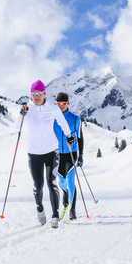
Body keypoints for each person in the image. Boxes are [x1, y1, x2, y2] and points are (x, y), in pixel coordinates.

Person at [18, 80, 75, 228]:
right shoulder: (27, 109)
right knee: (38, 185)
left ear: (44, 94)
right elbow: (17, 127)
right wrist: (21, 115)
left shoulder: (52, 108)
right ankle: (40, 208)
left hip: (51, 151)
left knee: (51, 182)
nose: (37, 97)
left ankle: (55, 215)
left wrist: (69, 136)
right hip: (34, 153)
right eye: (34, 94)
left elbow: (62, 122)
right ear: (31, 95)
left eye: (39, 94)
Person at [53, 92, 84, 220]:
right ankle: (65, 192)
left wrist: (81, 155)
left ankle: (72, 210)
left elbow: (80, 137)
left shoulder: (75, 119)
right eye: (59, 104)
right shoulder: (52, 118)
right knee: (62, 181)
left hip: (71, 153)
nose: (61, 106)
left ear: (68, 103)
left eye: (63, 104)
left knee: (71, 180)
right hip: (57, 154)